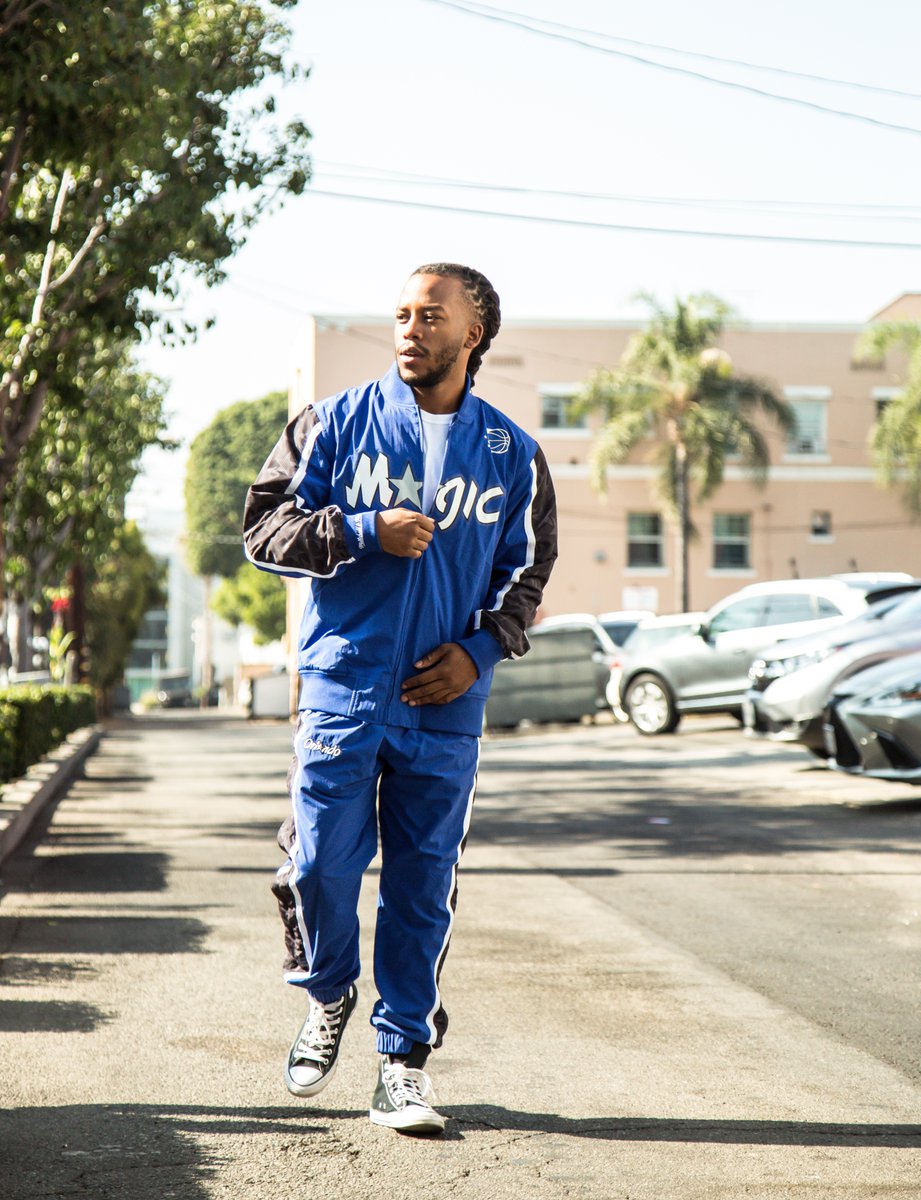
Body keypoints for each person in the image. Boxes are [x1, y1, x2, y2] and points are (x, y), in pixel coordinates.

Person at [243, 263, 558, 1134]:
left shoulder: (512, 454)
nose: (411, 328)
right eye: (403, 314)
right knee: (315, 867)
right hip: (343, 687)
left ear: (475, 333)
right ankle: (329, 992)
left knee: (422, 889)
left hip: (443, 707)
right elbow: (263, 531)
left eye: (432, 315)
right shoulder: (331, 425)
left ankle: (402, 1062)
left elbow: (527, 569)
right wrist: (357, 531)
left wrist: (483, 649)